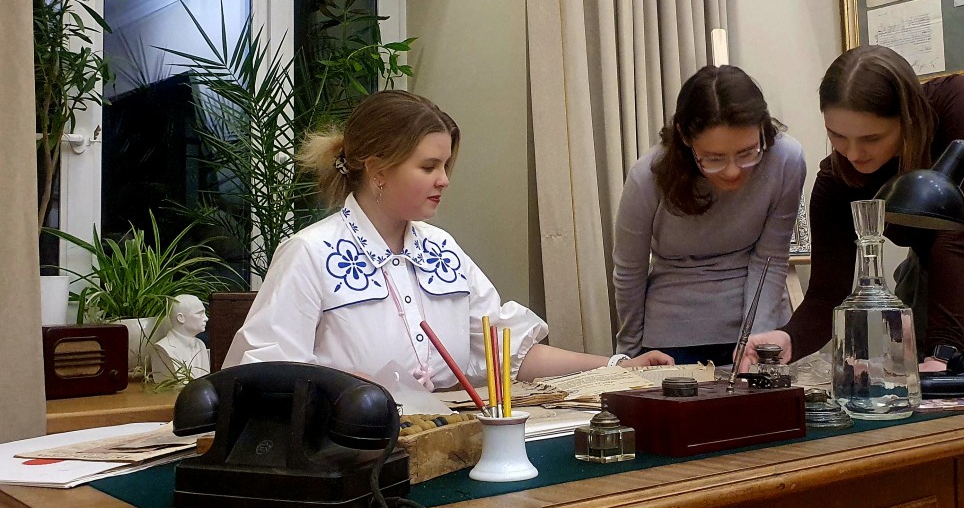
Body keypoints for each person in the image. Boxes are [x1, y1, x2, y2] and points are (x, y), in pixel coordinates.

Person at [224, 91, 671, 406]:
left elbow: (506, 353)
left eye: (445, 165)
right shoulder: (309, 253)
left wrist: (616, 366)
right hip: (345, 457)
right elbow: (257, 375)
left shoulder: (441, 249)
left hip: (440, 444)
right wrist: (332, 384)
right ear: (378, 170)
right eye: (429, 166)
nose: (444, 180)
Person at [740, 45, 964, 394]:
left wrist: (943, 352)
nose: (853, 154)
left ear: (907, 118)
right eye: (837, 136)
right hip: (931, 292)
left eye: (871, 138)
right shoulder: (837, 182)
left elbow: (957, 238)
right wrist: (789, 338)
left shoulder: (958, 103)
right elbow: (826, 296)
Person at [612, 65, 806, 366]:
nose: (732, 171)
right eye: (714, 159)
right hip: (671, 337)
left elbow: (771, 259)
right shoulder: (648, 176)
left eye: (747, 153)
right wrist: (628, 355)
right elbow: (630, 272)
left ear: (762, 129)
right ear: (685, 138)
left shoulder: (786, 160)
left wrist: (756, 343)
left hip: (758, 325)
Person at [151, 294, 211, 382]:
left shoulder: (200, 344)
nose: (206, 318)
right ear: (181, 318)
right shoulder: (162, 348)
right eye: (200, 313)